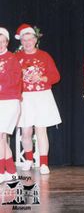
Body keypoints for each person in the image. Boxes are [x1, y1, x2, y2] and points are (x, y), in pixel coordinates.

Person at [15, 23, 61, 175]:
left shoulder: (44, 56)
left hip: (42, 96)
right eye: (24, 40)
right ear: (21, 41)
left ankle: (43, 163)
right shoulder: (16, 57)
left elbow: (56, 76)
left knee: (41, 130)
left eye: (30, 39)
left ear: (35, 40)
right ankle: (28, 159)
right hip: (24, 97)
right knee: (26, 131)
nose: (27, 43)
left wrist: (42, 77)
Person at [0, 27, 21, 183]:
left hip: (9, 101)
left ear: (7, 42)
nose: (0, 44)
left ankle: (1, 172)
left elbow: (15, 80)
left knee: (0, 136)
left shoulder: (12, 59)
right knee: (2, 137)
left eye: (2, 42)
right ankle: (11, 171)